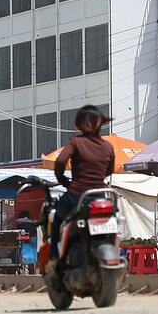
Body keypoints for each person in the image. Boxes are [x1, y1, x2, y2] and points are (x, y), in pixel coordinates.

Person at [50, 105, 116, 268]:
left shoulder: (76, 143)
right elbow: (110, 170)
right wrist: (98, 178)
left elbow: (60, 161)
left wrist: (64, 181)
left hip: (76, 196)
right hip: (101, 197)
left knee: (57, 217)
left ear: (80, 123)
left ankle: (54, 256)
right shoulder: (108, 147)